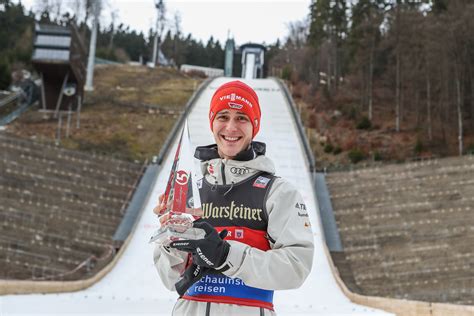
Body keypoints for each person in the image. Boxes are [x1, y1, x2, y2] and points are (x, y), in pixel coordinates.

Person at [153, 80, 314, 315]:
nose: (231, 127)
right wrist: (171, 239)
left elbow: (296, 267)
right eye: (223, 116)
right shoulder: (190, 191)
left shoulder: (278, 192)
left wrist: (225, 255)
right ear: (212, 122)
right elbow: (170, 279)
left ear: (254, 126)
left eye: (241, 118)